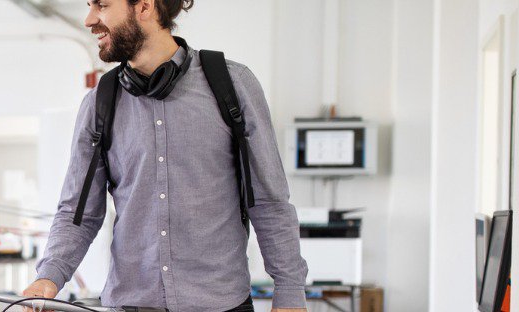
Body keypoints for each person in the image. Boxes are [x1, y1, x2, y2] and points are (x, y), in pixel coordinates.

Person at [19, 0, 309, 311]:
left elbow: (268, 200)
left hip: (221, 304)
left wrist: (290, 291)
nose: (89, 20)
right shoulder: (99, 103)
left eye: (102, 5)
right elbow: (78, 212)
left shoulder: (233, 85)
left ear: (144, 7)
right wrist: (49, 276)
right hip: (130, 303)